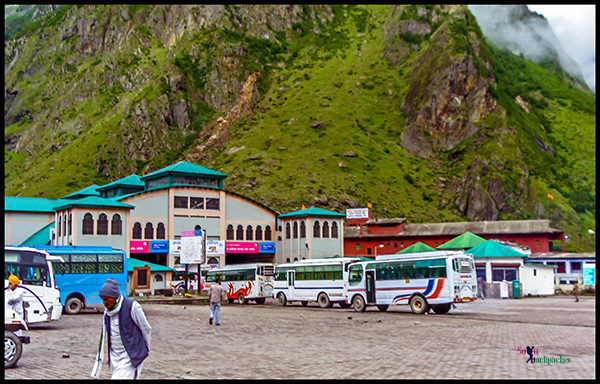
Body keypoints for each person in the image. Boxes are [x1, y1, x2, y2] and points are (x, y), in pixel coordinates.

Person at [91, 278, 152, 379]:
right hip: (114, 356)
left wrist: (144, 349)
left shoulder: (132, 306)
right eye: (102, 299)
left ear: (114, 297)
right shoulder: (107, 311)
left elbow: (146, 328)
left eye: (106, 299)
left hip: (130, 356)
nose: (104, 302)